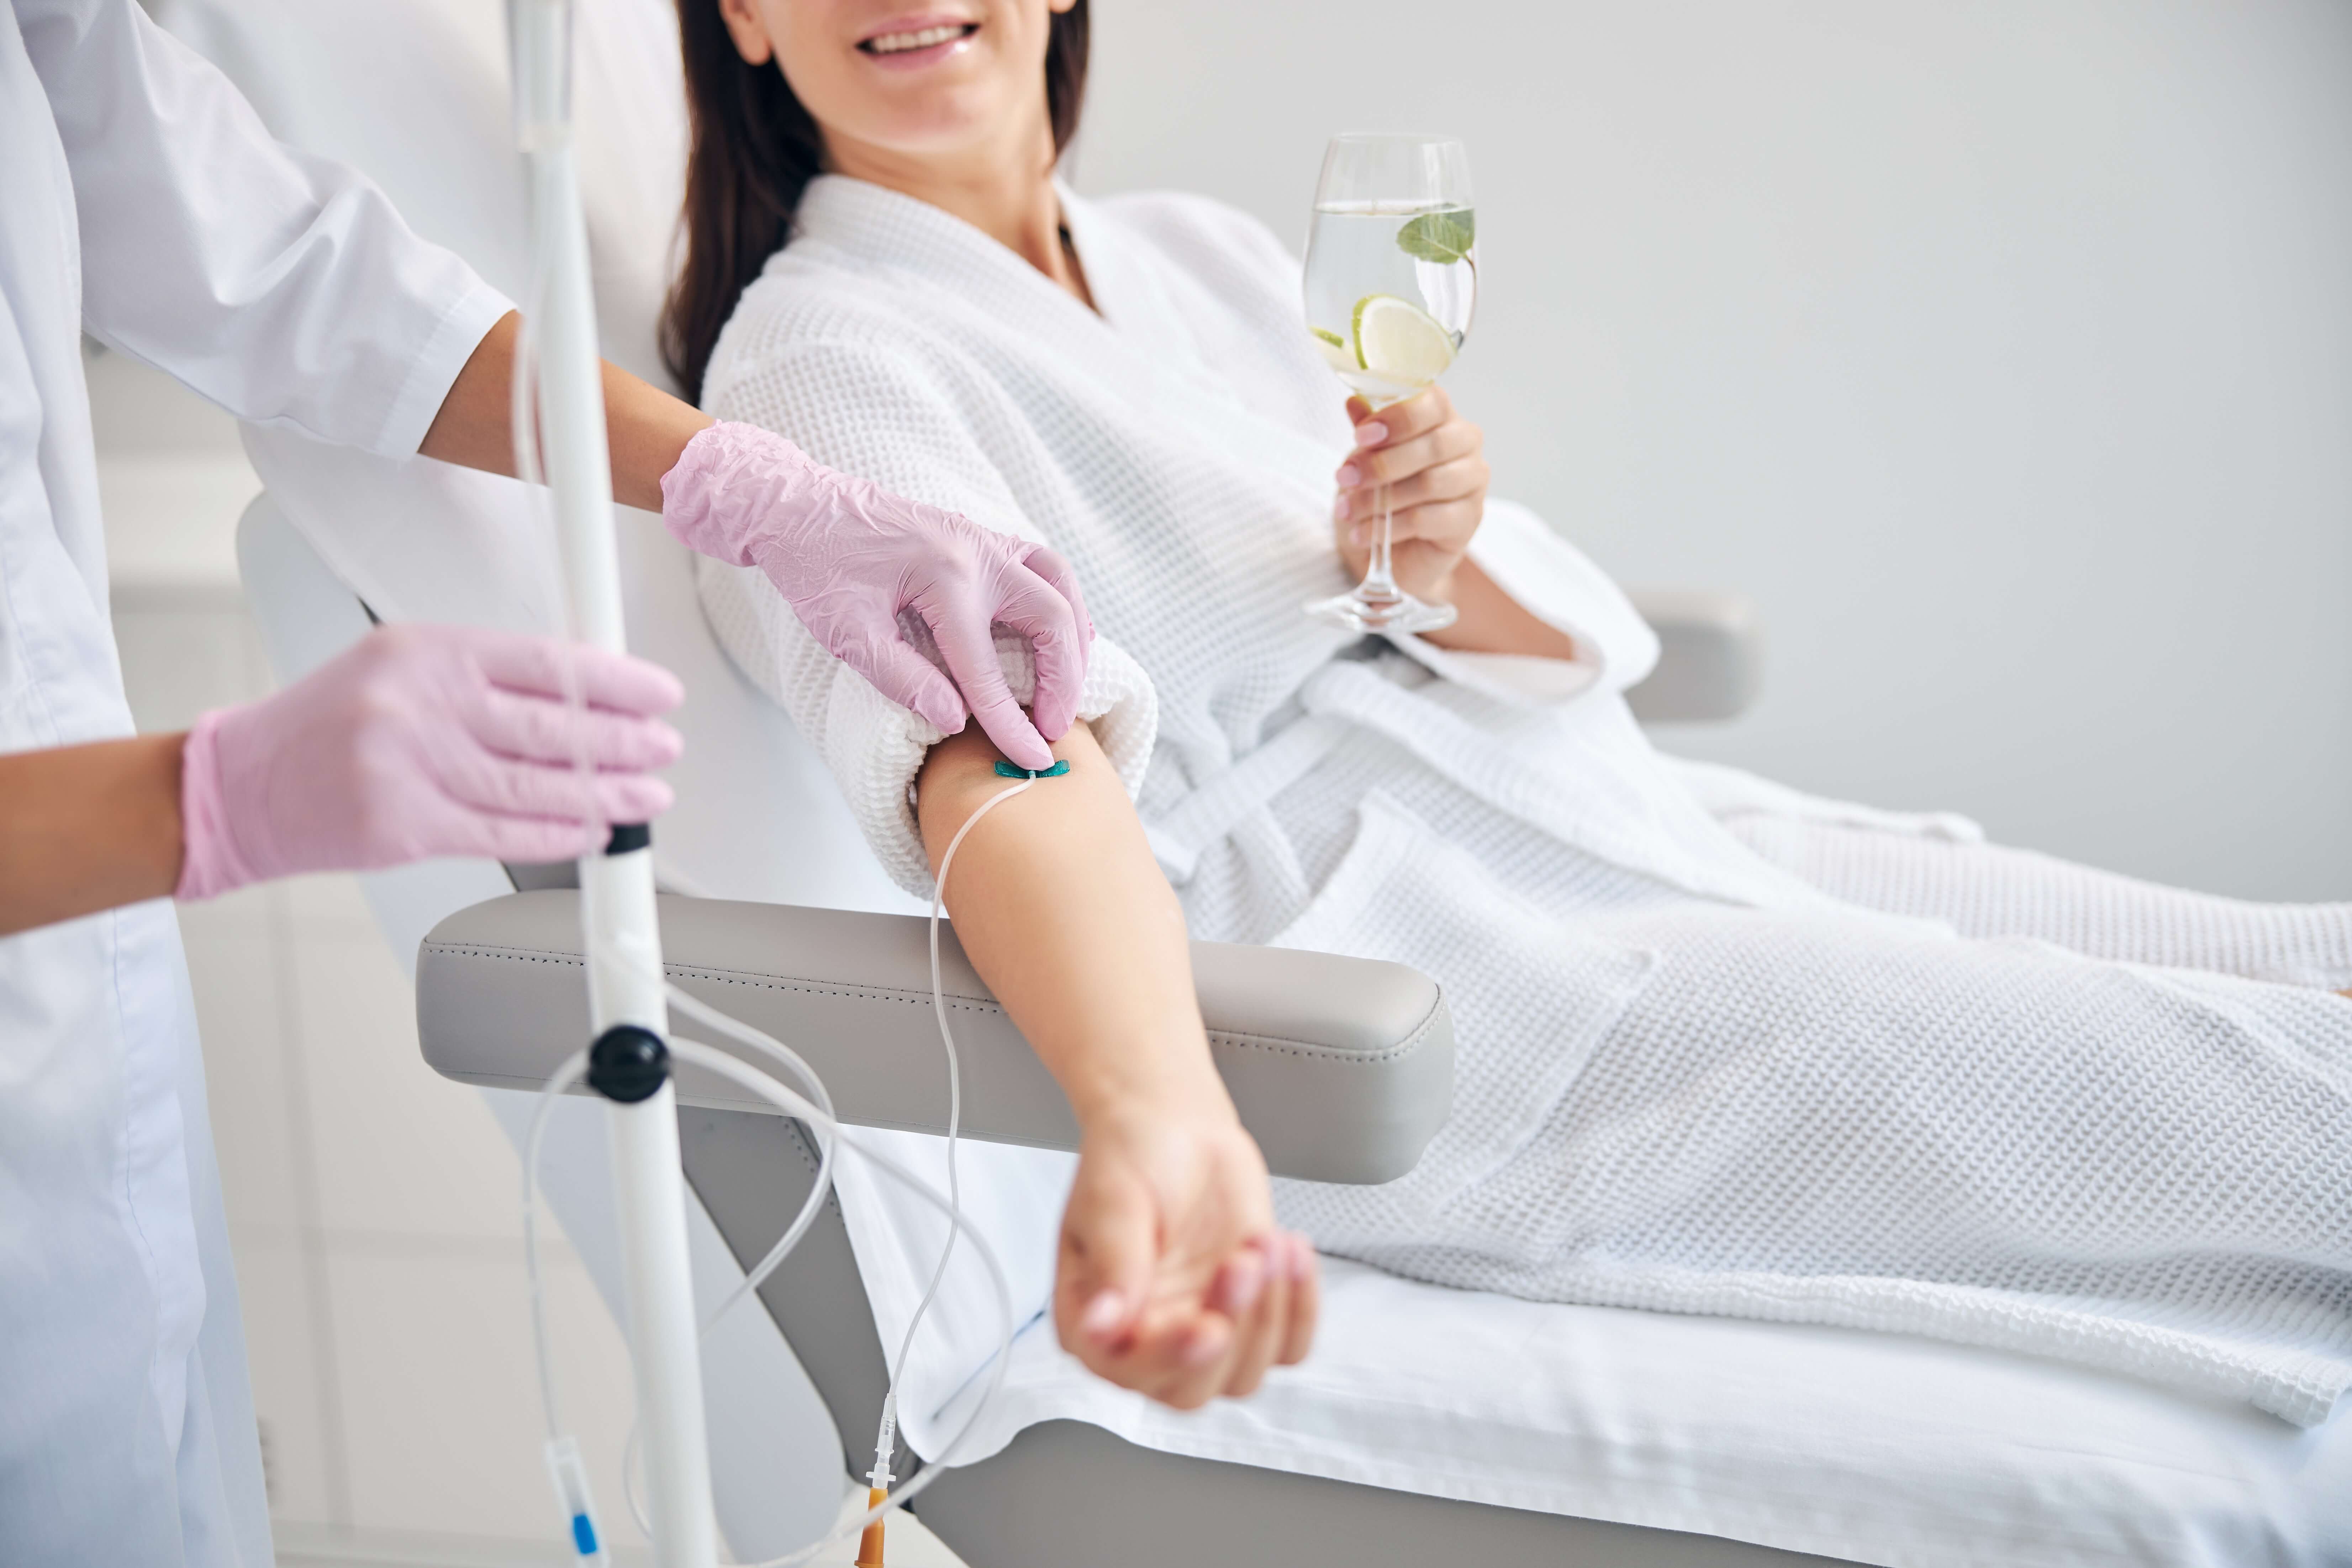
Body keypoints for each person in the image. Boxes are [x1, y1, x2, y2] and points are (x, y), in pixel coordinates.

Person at [672, 0, 2352, 1444]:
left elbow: (1530, 637)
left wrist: (1432, 548)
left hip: (1596, 822)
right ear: (738, 11)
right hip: (1403, 977)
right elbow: (1000, 760)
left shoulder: (1195, 254)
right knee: (2260, 1088)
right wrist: (1150, 1112)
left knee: (2302, 965)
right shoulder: (824, 356)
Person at [0, 0, 1099, 1559]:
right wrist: (204, 799)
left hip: (75, 1064)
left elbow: (295, 269)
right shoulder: (834, 331)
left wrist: (741, 485)